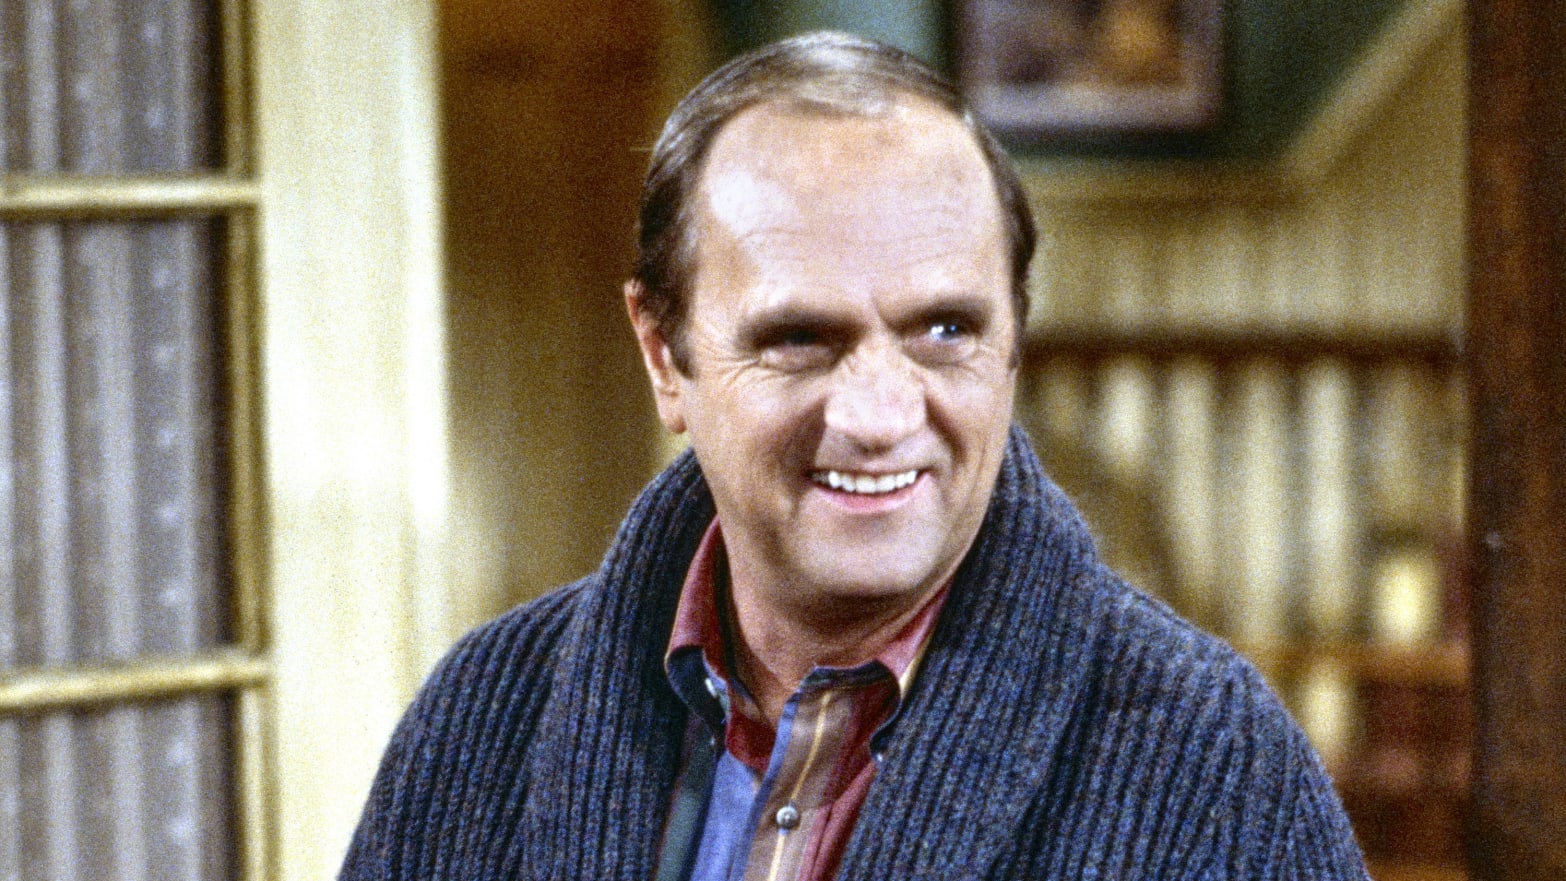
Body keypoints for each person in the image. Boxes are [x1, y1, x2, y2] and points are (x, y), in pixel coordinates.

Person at [340, 32, 1368, 881]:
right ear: (664, 355)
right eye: (799, 337)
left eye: (946, 331)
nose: (880, 415)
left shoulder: (1214, 765)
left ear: (1014, 336)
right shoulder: (485, 714)